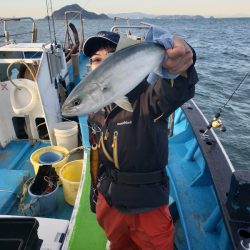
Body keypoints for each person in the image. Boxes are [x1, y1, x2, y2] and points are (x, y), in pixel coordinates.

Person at [84, 29, 198, 250]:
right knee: (117, 245)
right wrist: (95, 189)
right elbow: (96, 151)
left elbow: (177, 88)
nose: (100, 65)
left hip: (148, 206)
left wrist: (185, 58)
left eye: (109, 59)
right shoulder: (96, 106)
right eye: (96, 60)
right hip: (109, 200)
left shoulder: (149, 97)